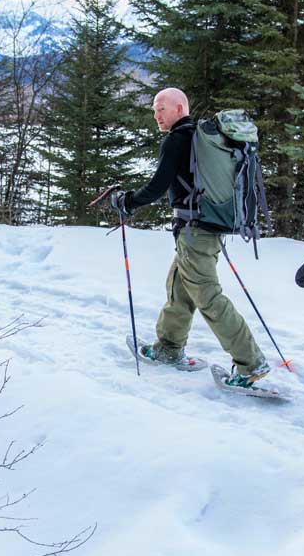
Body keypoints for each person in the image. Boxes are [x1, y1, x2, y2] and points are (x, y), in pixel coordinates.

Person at [109, 88, 270, 388]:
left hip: (196, 231)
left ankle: (250, 363)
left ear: (179, 107)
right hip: (200, 229)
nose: (156, 114)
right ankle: (168, 347)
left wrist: (127, 201)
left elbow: (159, 185)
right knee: (179, 286)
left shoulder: (177, 139)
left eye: (161, 108)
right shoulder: (197, 136)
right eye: (154, 109)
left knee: (208, 296)